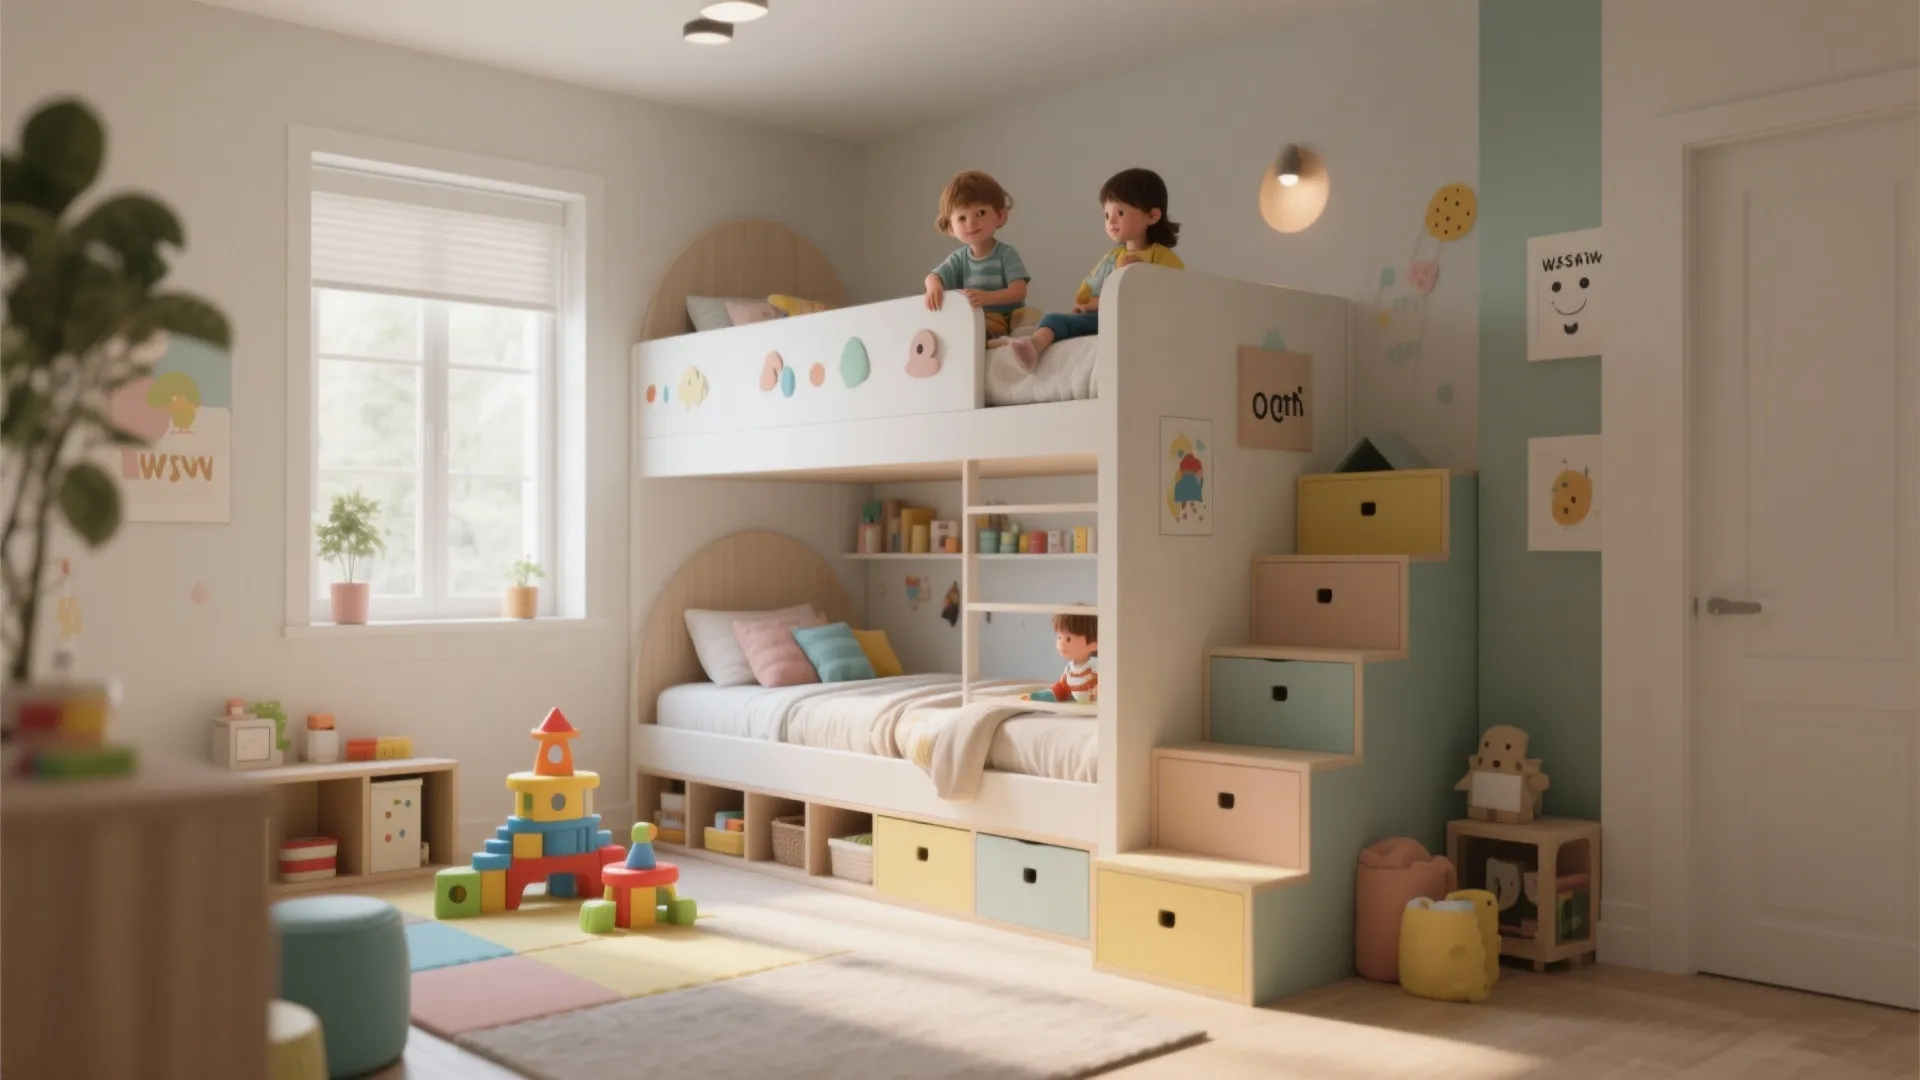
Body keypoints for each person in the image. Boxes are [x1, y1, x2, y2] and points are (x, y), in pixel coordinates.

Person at [1008, 168, 1183, 370]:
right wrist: (1090, 304)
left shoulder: (1162, 257)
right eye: (1106, 214)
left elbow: (1173, 294)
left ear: (1152, 216)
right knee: (1055, 319)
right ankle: (1032, 346)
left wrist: (1143, 275)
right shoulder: (1111, 258)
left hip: (1133, 320)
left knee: (1056, 320)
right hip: (1105, 317)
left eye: (1120, 212)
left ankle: (1034, 344)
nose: (1111, 221)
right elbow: (1088, 292)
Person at [923, 170, 1034, 342]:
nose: (971, 223)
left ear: (1000, 216)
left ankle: (1014, 342)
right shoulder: (958, 260)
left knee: (1031, 319)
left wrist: (987, 297)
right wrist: (934, 287)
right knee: (959, 328)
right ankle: (995, 342)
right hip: (978, 320)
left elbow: (1019, 291)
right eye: (961, 218)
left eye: (980, 213)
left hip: (1010, 318)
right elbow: (932, 277)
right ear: (951, 228)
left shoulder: (1006, 254)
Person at [1030, 612, 1097, 704]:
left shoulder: (1096, 666)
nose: (1061, 643)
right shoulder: (1070, 669)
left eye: (1068, 639)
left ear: (1093, 644)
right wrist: (1042, 696)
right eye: (1059, 637)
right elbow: (1063, 688)